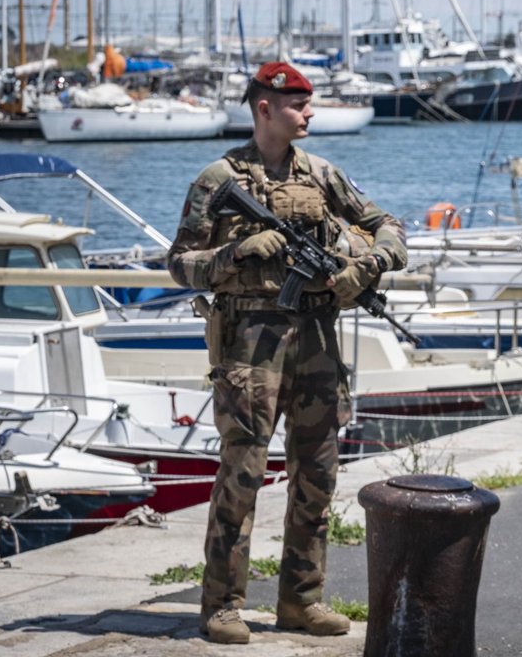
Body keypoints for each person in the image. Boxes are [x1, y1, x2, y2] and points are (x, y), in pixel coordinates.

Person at [168, 61, 407, 644]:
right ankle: (221, 605)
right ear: (264, 108)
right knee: (242, 473)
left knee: (318, 475)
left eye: (309, 102)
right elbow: (179, 265)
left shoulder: (323, 175)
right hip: (250, 347)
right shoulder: (216, 180)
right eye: (299, 104)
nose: (310, 113)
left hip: (318, 342)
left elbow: (390, 228)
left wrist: (363, 268)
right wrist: (237, 252)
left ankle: (301, 600)